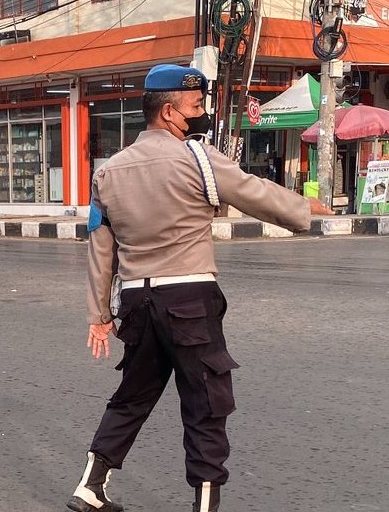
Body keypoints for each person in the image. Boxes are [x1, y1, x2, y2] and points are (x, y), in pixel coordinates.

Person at [67, 64, 332, 512]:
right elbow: (255, 193)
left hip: (135, 301)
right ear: (170, 113)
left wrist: (99, 316)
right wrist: (304, 210)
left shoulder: (109, 172)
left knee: (133, 395)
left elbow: (101, 249)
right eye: (196, 106)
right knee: (206, 405)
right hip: (189, 299)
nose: (202, 112)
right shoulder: (197, 158)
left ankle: (91, 485)